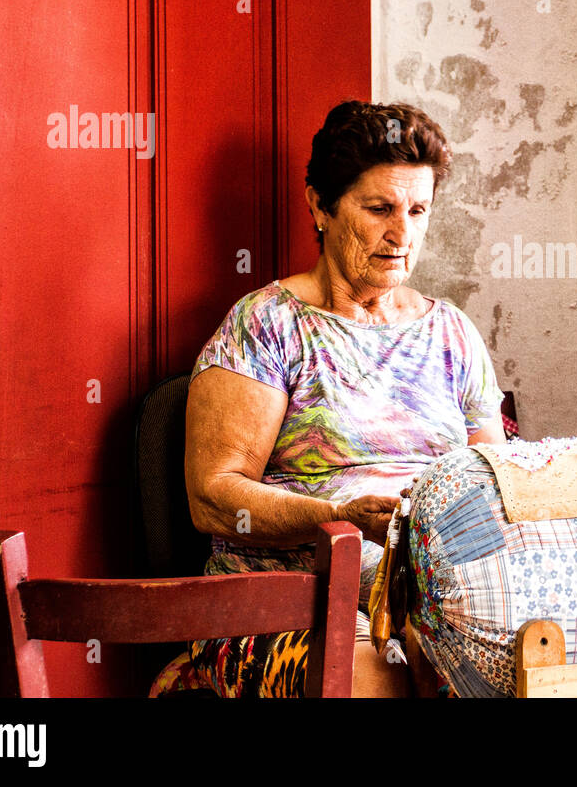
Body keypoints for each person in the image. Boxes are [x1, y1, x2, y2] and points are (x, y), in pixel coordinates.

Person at [182, 101, 506, 697]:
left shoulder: (453, 333)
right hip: (285, 603)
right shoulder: (268, 324)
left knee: (526, 660)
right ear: (320, 207)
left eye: (417, 210)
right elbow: (213, 497)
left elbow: (498, 485)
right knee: (376, 680)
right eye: (379, 208)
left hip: (433, 595)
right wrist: (339, 521)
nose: (401, 234)